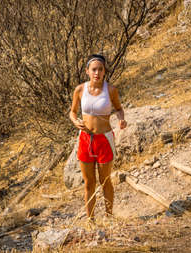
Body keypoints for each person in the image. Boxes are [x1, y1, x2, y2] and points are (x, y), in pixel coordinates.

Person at [69, 54, 127, 225]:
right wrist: (75, 121)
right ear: (87, 71)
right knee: (89, 183)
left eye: (100, 69)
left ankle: (109, 217)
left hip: (104, 140)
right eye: (94, 69)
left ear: (104, 72)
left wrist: (121, 119)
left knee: (105, 181)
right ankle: (90, 220)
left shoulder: (111, 90)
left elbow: (119, 109)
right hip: (85, 139)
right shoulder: (80, 90)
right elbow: (72, 111)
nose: (97, 72)